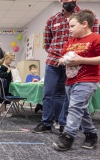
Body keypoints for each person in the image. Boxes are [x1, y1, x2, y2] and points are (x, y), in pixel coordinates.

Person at [32, 0, 99, 134]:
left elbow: (93, 37)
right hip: (54, 60)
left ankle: (63, 123)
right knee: (48, 93)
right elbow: (47, 42)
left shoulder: (87, 16)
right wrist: (60, 56)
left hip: (76, 63)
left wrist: (76, 58)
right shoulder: (52, 19)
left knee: (64, 95)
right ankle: (46, 122)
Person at [53, 9, 100, 151]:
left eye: (72, 26)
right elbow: (61, 58)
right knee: (81, 109)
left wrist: (81, 59)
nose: (69, 29)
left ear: (84, 24)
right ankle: (91, 134)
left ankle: (68, 136)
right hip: (71, 81)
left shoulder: (96, 39)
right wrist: (64, 60)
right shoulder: (70, 42)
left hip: (88, 80)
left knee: (74, 107)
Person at [0, 52, 15, 118]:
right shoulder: (2, 67)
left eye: (12, 60)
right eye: (10, 60)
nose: (11, 62)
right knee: (3, 99)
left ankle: (5, 111)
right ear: (6, 58)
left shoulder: (8, 66)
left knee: (6, 99)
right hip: (3, 87)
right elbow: (1, 75)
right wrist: (7, 71)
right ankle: (3, 111)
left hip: (7, 86)